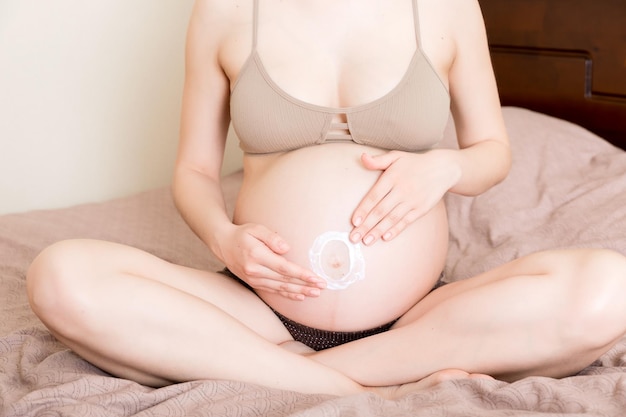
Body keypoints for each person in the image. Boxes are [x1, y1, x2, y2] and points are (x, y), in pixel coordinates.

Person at [26, 0, 626, 397]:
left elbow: (492, 152)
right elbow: (193, 169)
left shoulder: (443, 6)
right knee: (59, 275)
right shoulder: (225, 10)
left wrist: (445, 168)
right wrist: (224, 239)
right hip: (257, 310)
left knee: (610, 289)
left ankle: (299, 377)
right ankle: (372, 388)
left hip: (419, 318)